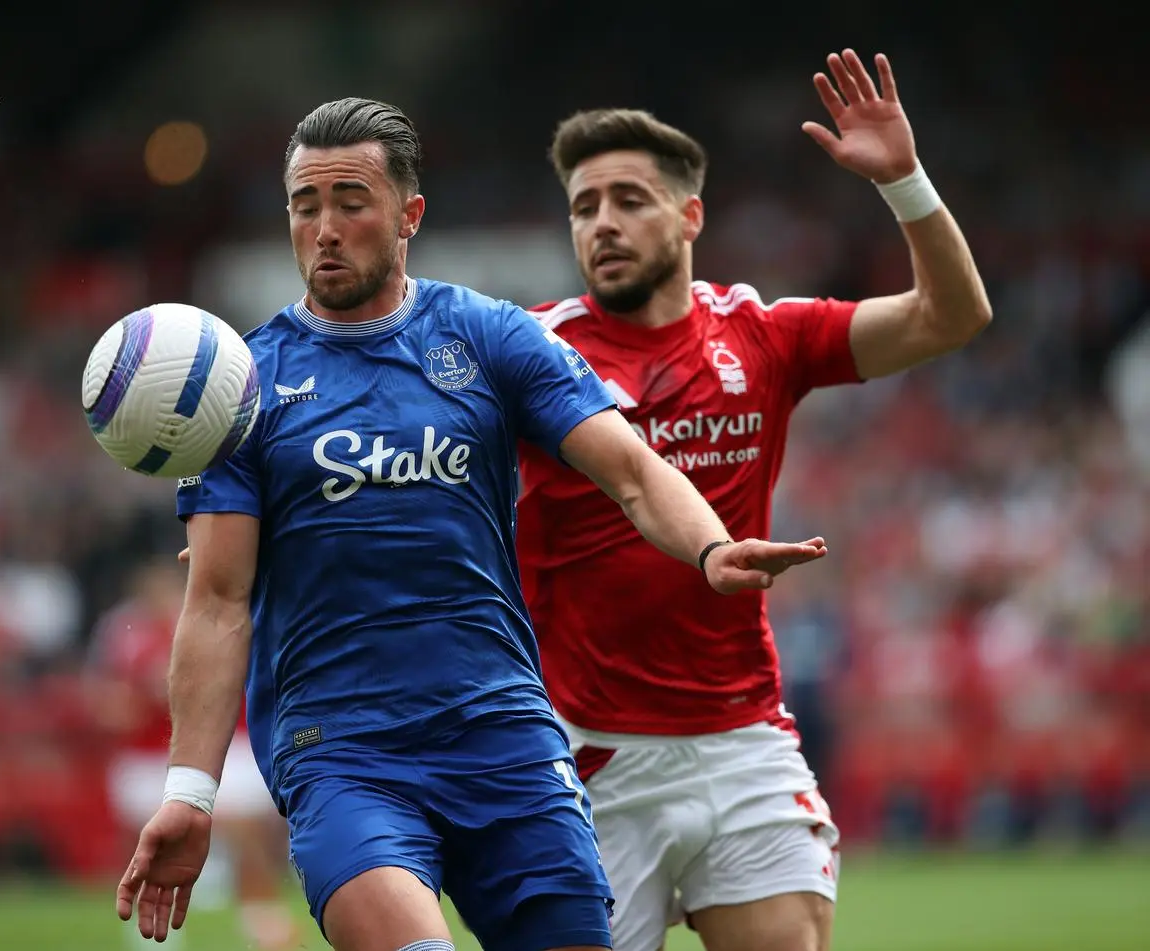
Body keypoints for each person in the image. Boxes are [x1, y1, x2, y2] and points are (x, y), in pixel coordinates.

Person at [113, 96, 829, 951]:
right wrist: (191, 792)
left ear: (409, 214)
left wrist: (711, 547)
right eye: (307, 205)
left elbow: (634, 472)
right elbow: (219, 598)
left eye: (352, 201)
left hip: (506, 737)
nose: (326, 227)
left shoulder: (489, 337)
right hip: (342, 752)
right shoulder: (244, 387)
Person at [517, 50, 992, 951]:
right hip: (588, 755)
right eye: (584, 207)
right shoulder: (533, 351)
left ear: (690, 214)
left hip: (744, 741)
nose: (602, 224)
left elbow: (952, 317)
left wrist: (905, 184)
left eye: (628, 200)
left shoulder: (761, 333)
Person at [91, 559, 302, 951]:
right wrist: (142, 697)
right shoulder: (125, 636)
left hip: (221, 748)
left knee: (245, 832)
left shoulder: (215, 622)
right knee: (149, 849)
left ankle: (264, 922)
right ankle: (151, 936)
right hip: (149, 757)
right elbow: (108, 703)